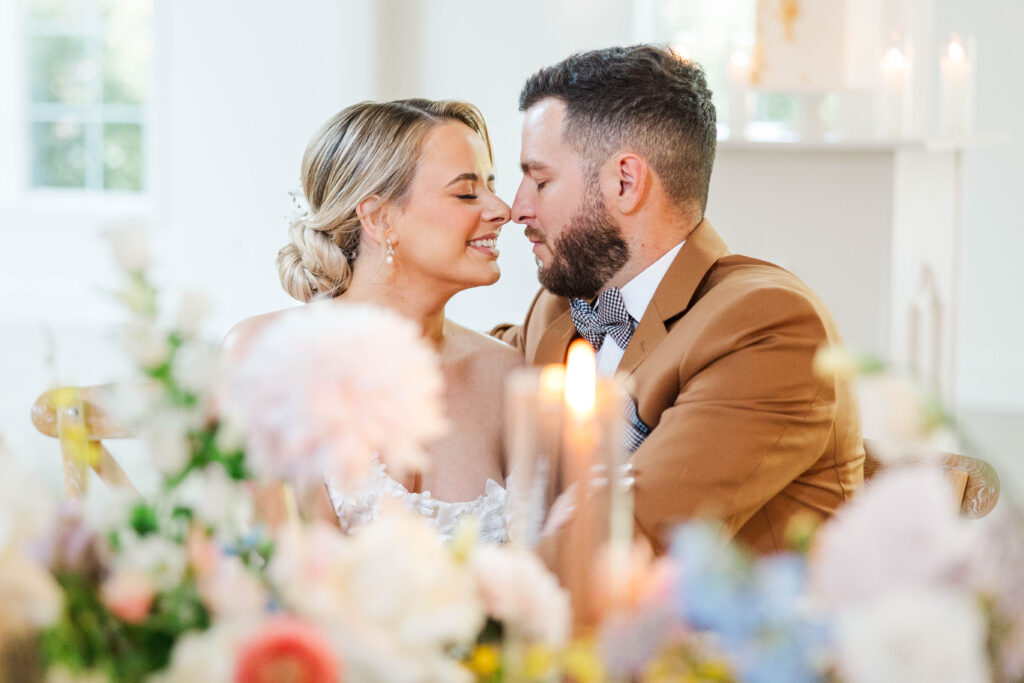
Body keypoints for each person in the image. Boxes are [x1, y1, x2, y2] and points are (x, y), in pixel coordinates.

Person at [492, 45, 864, 560]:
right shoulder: (559, 306)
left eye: (540, 179)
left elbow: (625, 542)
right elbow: (463, 387)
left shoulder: (767, 324)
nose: (517, 208)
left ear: (625, 181)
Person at [223, 99, 521, 541]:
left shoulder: (508, 376)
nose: (503, 209)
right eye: (466, 192)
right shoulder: (266, 356)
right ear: (379, 218)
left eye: (492, 186)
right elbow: (289, 572)